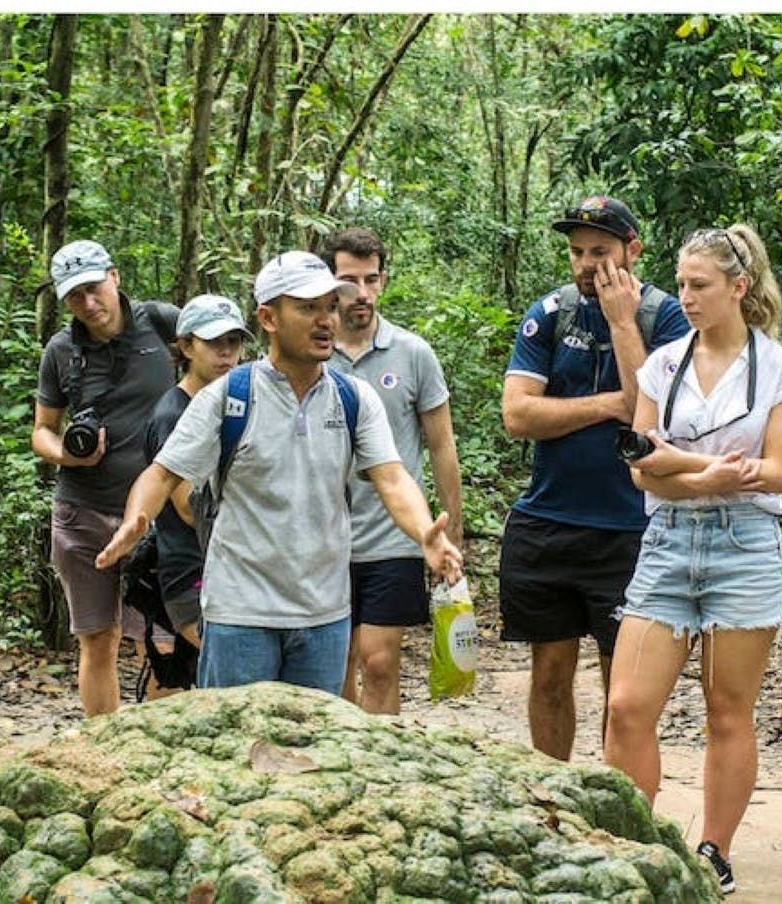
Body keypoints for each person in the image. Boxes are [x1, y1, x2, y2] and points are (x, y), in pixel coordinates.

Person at [96, 250, 463, 694]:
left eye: (330, 306)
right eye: (308, 308)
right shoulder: (228, 396)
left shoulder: (354, 399)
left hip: (324, 615)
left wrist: (424, 531)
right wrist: (138, 517)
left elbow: (391, 477)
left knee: (313, 753)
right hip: (240, 615)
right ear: (269, 318)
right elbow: (162, 474)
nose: (326, 319)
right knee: (235, 752)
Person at [604, 225, 782, 895]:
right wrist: (703, 474)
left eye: (700, 286)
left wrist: (678, 465)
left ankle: (712, 849)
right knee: (628, 705)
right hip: (668, 541)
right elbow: (641, 463)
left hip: (744, 546)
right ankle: (632, 840)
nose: (685, 297)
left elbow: (776, 471)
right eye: (683, 284)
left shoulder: (778, 369)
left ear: (738, 288)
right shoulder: (663, 364)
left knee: (727, 709)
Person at [500, 196, 690, 760]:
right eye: (578, 252)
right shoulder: (549, 313)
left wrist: (622, 323)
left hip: (629, 529)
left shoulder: (669, 318)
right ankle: (554, 799)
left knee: (621, 689)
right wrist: (610, 403)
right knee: (550, 674)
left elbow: (649, 416)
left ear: (633, 250)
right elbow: (518, 416)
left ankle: (615, 808)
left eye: (601, 252)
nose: (588, 265)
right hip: (549, 523)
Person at [32, 239, 179, 715]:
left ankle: (160, 754)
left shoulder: (162, 324)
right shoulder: (61, 351)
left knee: (162, 639)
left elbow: (218, 369)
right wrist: (66, 457)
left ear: (115, 276)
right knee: (99, 638)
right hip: (83, 511)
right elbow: (42, 430)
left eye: (95, 288)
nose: (89, 304)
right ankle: (102, 750)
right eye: (75, 296)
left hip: (157, 514)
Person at [322, 227, 463, 715]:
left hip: (394, 535)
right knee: (333, 664)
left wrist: (451, 529)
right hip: (324, 537)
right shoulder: (311, 356)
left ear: (383, 280)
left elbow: (442, 445)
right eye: (348, 281)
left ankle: (384, 769)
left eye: (371, 279)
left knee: (379, 661)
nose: (361, 294)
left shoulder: (413, 354)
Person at [143, 293, 251, 653]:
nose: (225, 352)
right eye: (214, 342)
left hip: (234, 571)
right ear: (187, 346)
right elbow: (190, 509)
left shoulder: (234, 405)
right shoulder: (173, 415)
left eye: (233, 342)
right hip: (193, 573)